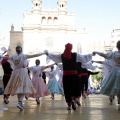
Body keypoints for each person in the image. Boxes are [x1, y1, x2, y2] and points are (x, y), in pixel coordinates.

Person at [45, 43, 95, 110]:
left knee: (67, 89)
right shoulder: (75, 55)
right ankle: (74, 99)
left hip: (66, 76)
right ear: (71, 48)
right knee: (75, 88)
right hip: (74, 75)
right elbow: (84, 57)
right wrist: (91, 54)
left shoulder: (62, 56)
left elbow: (54, 56)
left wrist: (48, 54)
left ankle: (69, 104)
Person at [0, 46, 46, 111]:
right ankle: (20, 102)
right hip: (22, 72)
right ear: (21, 50)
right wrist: (43, 53)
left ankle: (20, 102)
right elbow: (34, 55)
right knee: (23, 88)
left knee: (20, 88)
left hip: (16, 73)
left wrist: (1, 56)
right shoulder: (23, 56)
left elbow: (6, 57)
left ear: (16, 50)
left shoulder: (14, 56)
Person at [93, 40, 120, 110]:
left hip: (116, 72)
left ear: (117, 47)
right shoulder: (114, 54)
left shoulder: (113, 54)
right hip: (116, 72)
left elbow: (104, 55)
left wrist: (96, 52)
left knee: (117, 87)